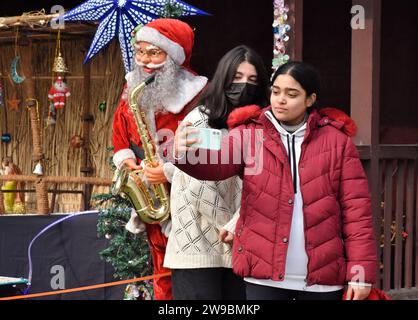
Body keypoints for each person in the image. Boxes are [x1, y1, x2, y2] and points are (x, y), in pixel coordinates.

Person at [169, 61, 377, 300]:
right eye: (276, 91)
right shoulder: (250, 134)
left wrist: (360, 274)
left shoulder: (337, 142)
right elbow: (215, 166)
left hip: (323, 282)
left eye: (292, 94)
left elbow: (357, 213)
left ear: (310, 99)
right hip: (263, 278)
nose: (280, 100)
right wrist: (183, 154)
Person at [111, 18, 208, 300]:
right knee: (159, 269)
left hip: (188, 195)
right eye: (140, 51)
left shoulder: (200, 92)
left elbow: (215, 144)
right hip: (151, 192)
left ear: (174, 56)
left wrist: (168, 171)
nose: (144, 60)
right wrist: (125, 159)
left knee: (188, 274)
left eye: (154, 53)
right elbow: (119, 126)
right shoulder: (133, 87)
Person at [163, 45, 270, 300]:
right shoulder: (200, 121)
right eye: (237, 78)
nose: (244, 85)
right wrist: (233, 226)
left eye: (252, 80)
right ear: (223, 78)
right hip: (197, 248)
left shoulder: (261, 127)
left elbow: (265, 184)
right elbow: (198, 186)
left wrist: (239, 225)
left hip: (242, 249)